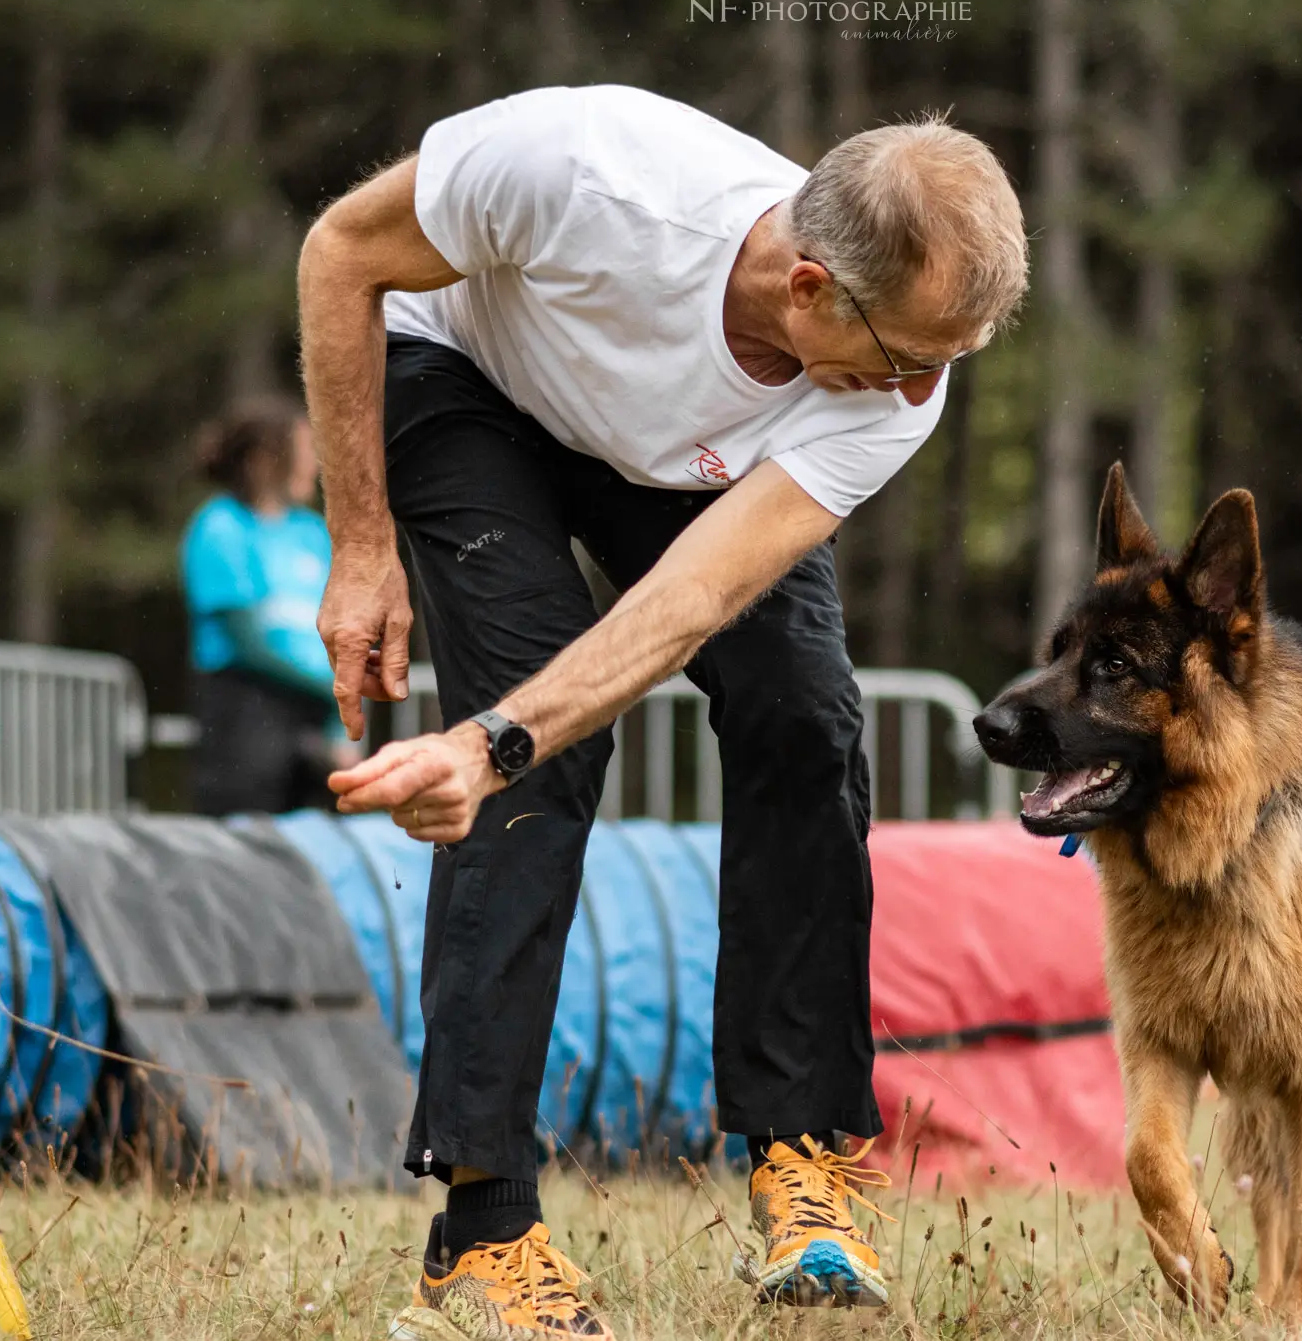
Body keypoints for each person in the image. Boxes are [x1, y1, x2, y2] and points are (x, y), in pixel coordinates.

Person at [297, 84, 1026, 1339]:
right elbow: (341, 252)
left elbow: (693, 599)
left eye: (944, 363)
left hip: (679, 459)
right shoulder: (586, 173)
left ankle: (801, 1161)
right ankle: (482, 1227)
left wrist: (493, 739)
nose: (920, 392)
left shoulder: (896, 383)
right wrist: (359, 547)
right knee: (541, 767)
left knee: (802, 710)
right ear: (808, 288)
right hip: (466, 381)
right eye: (907, 356)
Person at [180, 397, 351, 815]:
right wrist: (333, 689)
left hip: (313, 709)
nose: (313, 464)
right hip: (247, 706)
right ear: (261, 460)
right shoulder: (220, 526)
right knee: (248, 840)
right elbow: (250, 641)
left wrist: (342, 724)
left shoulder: (312, 533)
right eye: (304, 451)